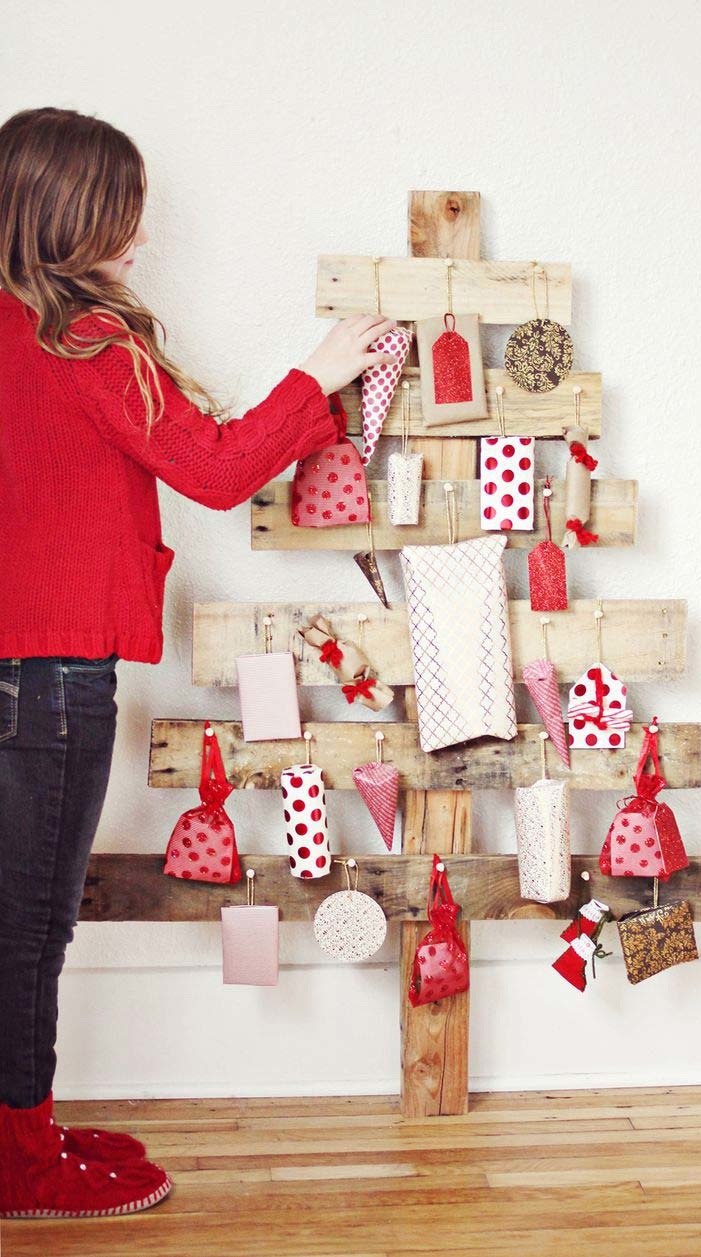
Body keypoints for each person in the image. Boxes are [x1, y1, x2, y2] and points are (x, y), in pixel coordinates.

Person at [0, 106, 398, 1219]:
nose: (140, 236)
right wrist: (317, 373)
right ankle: (20, 1163)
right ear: (71, 218)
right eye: (124, 215)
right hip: (48, 677)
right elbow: (216, 470)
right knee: (27, 928)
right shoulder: (82, 342)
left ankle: (20, 1134)